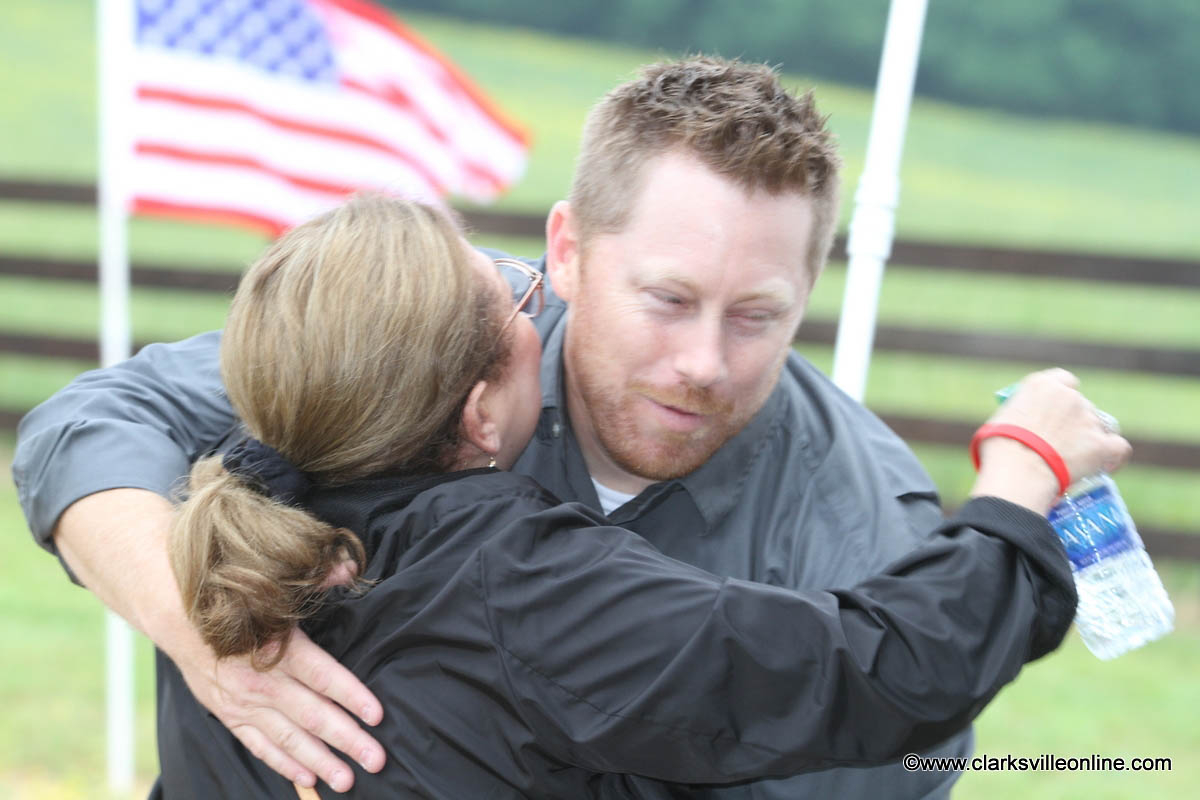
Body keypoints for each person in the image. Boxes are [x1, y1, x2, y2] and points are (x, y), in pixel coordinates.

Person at [11, 57, 1130, 797]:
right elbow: (91, 423)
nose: (703, 361)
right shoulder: (417, 337)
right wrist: (211, 641)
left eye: (756, 315)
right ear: (566, 252)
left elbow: (887, 746)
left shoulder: (866, 523)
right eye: (667, 297)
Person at [157, 192, 1113, 798]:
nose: (540, 303)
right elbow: (873, 672)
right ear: (481, 414)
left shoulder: (235, 536)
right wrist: (1021, 476)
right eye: (517, 301)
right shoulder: (526, 589)